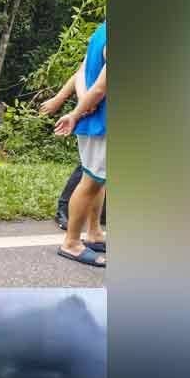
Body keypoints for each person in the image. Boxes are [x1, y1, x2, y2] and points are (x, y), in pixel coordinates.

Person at [53, 20, 107, 267]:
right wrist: (77, 113)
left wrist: (80, 108)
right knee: (91, 181)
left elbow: (83, 71)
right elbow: (99, 89)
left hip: (96, 120)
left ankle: (94, 232)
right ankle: (71, 242)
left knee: (98, 178)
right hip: (101, 123)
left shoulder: (102, 30)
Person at [40, 51, 106, 231]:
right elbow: (82, 72)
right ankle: (66, 214)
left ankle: (94, 229)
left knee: (96, 174)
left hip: (94, 109)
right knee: (91, 171)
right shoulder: (102, 36)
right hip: (96, 113)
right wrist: (76, 101)